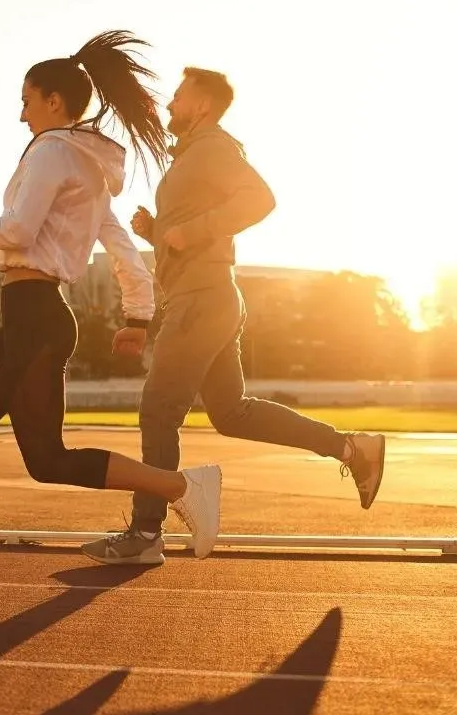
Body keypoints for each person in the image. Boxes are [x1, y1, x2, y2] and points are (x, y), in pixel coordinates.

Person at [0, 31, 221, 598]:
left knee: (34, 454)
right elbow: (123, 247)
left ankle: (183, 487)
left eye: (27, 100)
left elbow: (18, 231)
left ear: (55, 102)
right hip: (32, 316)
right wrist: (137, 314)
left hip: (35, 315)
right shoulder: (86, 167)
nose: (21, 113)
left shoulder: (54, 151)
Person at [80, 67, 387, 566]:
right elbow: (190, 233)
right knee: (231, 412)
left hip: (202, 299)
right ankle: (353, 449)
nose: (170, 103)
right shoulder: (194, 154)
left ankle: (144, 533)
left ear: (201, 105)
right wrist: (158, 230)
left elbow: (260, 199)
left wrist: (193, 230)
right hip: (208, 296)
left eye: (178, 96)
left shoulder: (214, 148)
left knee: (159, 411)